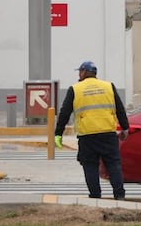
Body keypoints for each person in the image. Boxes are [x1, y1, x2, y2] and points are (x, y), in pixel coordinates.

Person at [54, 61, 129, 200]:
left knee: (90, 166)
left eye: (79, 72)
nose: (78, 75)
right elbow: (120, 109)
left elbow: (64, 113)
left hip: (87, 136)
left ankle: (95, 196)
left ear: (83, 72)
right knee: (113, 165)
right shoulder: (108, 86)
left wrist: (58, 133)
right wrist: (125, 128)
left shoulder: (75, 89)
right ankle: (119, 195)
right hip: (108, 133)